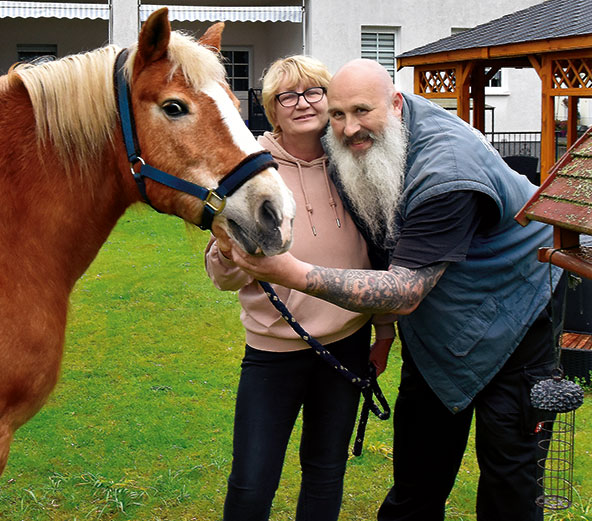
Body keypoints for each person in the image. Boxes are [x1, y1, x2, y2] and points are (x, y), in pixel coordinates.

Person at [224, 58, 560, 521]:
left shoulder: (447, 173)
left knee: (510, 477)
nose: (347, 128)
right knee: (419, 470)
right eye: (337, 115)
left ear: (396, 104)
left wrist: (292, 272)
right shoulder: (366, 142)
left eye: (362, 111)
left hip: (516, 311)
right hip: (440, 330)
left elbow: (405, 291)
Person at [206, 55, 396, 521]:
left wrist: (385, 331)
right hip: (273, 353)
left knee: (326, 471)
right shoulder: (250, 169)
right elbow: (223, 277)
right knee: (252, 482)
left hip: (346, 345)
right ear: (272, 109)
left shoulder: (356, 157)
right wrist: (227, 246)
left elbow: (379, 252)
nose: (303, 103)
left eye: (314, 92)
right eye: (287, 96)